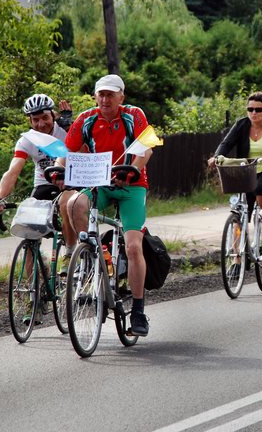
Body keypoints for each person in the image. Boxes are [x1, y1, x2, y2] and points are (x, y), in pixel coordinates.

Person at [60, 74, 153, 337]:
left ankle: (138, 310)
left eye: (111, 94)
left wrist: (133, 170)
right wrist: (57, 171)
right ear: (95, 96)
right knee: (75, 204)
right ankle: (94, 255)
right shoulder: (86, 119)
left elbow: (146, 150)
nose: (105, 99)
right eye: (101, 94)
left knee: (133, 247)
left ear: (121, 97)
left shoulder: (134, 115)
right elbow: (67, 153)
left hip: (131, 185)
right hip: (99, 182)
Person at [208, 91, 262, 249]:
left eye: (258, 109)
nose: (253, 113)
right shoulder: (241, 125)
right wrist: (216, 156)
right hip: (247, 170)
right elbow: (226, 143)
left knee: (260, 189)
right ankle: (237, 258)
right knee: (239, 211)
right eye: (250, 109)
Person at [0, 94, 73, 215]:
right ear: (30, 121)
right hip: (44, 184)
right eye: (36, 120)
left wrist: (71, 129)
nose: (41, 124)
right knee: (30, 219)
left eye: (45, 118)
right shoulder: (27, 140)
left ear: (53, 115)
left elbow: (86, 150)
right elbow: (13, 172)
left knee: (68, 212)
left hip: (70, 182)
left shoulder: (65, 130)